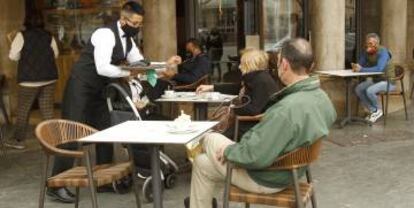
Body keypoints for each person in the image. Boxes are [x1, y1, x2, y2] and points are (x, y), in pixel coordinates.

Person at [47, 1, 180, 203]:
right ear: (123, 19)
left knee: (106, 130)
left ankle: (103, 180)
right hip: (81, 87)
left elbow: (141, 65)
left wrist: (164, 68)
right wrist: (128, 71)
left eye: (140, 24)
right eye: (134, 23)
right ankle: (56, 185)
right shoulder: (105, 35)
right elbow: (103, 68)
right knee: (72, 134)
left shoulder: (129, 42)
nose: (137, 28)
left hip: (100, 90)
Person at [186, 38, 337, 208]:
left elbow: (254, 156)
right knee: (202, 163)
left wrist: (229, 151)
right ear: (310, 65)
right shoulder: (322, 98)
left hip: (268, 177)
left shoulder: (286, 109)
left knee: (208, 138)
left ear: (285, 64)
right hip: (291, 170)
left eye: (278, 62)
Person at [196, 49, 279, 140]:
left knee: (209, 137)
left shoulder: (261, 81)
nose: (239, 67)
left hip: (250, 129)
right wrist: (212, 87)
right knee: (209, 134)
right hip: (245, 125)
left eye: (242, 64)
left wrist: (233, 108)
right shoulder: (256, 78)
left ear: (250, 65)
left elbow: (254, 110)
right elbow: (236, 88)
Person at [6, 13, 59, 150]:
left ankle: (18, 140)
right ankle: (53, 141)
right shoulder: (49, 35)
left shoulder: (21, 35)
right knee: (47, 111)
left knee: (23, 110)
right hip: (48, 78)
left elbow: (13, 56)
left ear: (26, 22)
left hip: (29, 81)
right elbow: (56, 54)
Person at [353, 33, 395, 123]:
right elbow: (360, 64)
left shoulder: (383, 52)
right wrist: (357, 66)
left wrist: (361, 69)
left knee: (370, 90)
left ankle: (377, 110)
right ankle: (374, 110)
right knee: (358, 89)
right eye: (367, 43)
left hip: (388, 81)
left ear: (377, 44)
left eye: (371, 43)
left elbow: (379, 68)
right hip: (377, 80)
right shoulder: (367, 52)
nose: (368, 45)